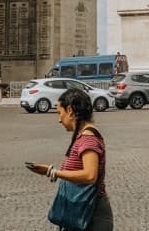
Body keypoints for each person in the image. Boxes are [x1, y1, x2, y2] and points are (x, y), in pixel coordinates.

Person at [27, 88, 113, 229]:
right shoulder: (83, 135)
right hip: (83, 210)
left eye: (60, 113)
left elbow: (90, 175)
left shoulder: (88, 138)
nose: (59, 119)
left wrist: (53, 171)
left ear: (70, 111)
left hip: (92, 214)